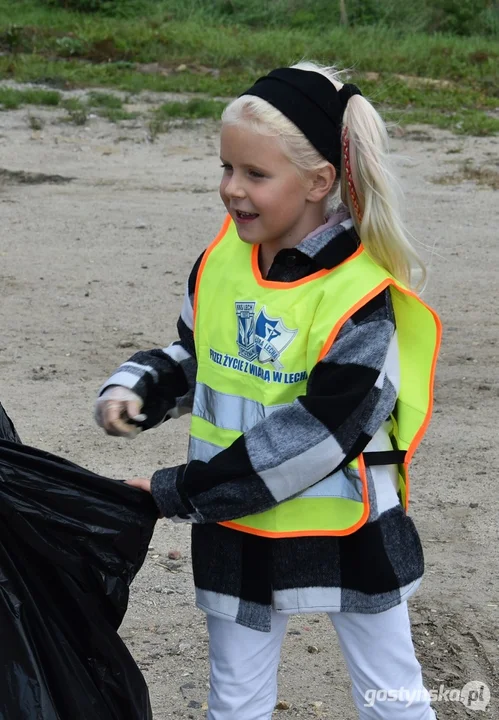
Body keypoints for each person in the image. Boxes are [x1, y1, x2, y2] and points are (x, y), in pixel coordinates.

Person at [95, 62, 442, 720]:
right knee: (236, 702)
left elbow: (318, 435)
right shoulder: (222, 259)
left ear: (318, 182)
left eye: (255, 175)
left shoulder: (361, 299)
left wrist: (180, 490)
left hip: (349, 526)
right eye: (226, 168)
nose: (231, 190)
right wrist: (141, 385)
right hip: (238, 525)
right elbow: (201, 357)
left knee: (392, 698)